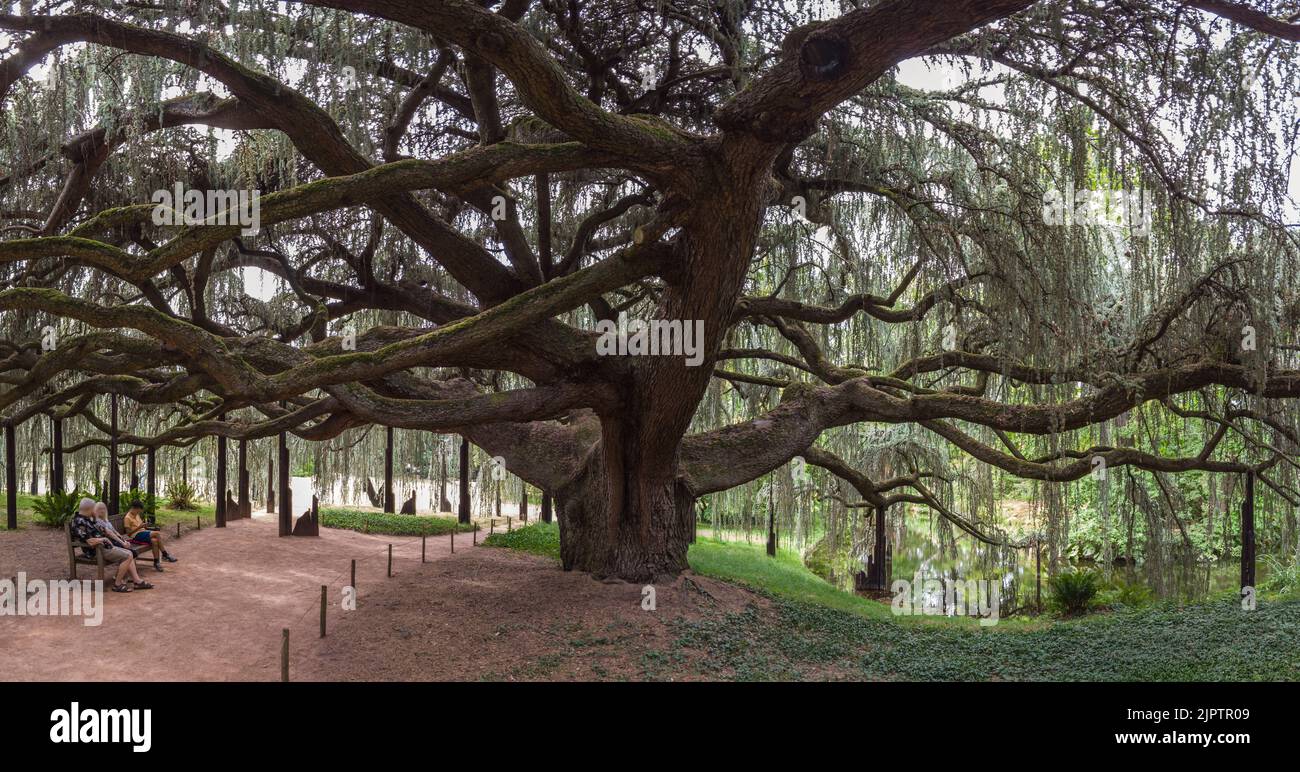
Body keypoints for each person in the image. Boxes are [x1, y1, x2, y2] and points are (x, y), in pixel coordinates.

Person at [69, 498, 153, 592]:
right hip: (96, 550)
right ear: (89, 509)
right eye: (93, 508)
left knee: (130, 553)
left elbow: (106, 530)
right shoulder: (79, 522)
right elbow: (90, 541)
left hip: (104, 547)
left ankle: (136, 581)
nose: (95, 511)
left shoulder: (88, 519)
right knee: (128, 555)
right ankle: (118, 584)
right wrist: (104, 539)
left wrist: (121, 541)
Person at [123, 501, 177, 572]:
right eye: (138, 511)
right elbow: (128, 534)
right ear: (134, 508)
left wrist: (146, 526)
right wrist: (139, 527)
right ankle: (165, 554)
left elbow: (142, 527)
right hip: (136, 536)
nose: (138, 512)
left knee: (154, 541)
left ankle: (156, 562)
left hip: (142, 533)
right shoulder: (127, 518)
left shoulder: (136, 515)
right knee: (157, 534)